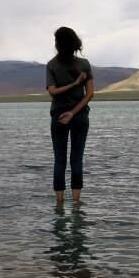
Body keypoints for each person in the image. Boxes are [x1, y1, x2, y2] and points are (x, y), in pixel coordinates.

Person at [45, 27, 94, 205]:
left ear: (58, 44)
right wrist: (73, 111)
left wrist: (68, 113)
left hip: (59, 116)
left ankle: (59, 204)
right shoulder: (84, 64)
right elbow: (90, 94)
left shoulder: (51, 65)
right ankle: (76, 203)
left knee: (60, 160)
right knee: (76, 160)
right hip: (80, 116)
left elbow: (52, 91)